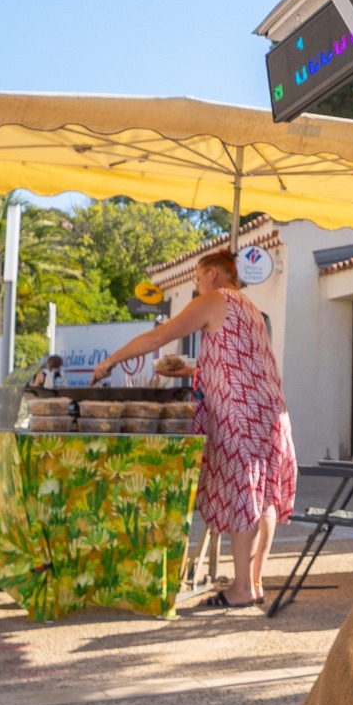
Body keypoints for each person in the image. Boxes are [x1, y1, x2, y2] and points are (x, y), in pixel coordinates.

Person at [92, 249, 296, 608]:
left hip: (238, 413)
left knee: (241, 493)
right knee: (263, 495)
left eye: (198, 278)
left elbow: (158, 338)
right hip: (269, 411)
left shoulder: (214, 299)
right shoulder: (250, 308)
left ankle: (241, 589)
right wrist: (190, 372)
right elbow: (235, 365)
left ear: (213, 274)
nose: (196, 286)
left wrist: (110, 361)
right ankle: (255, 581)